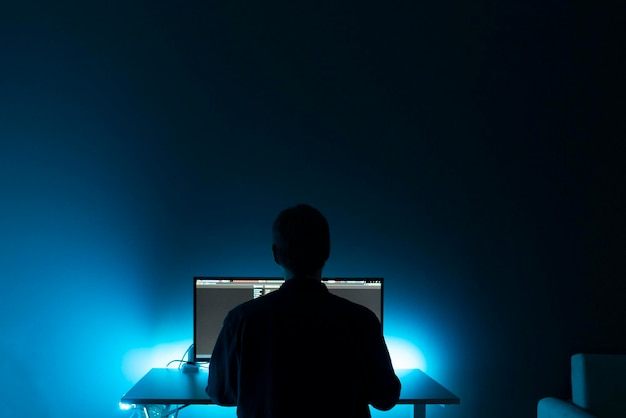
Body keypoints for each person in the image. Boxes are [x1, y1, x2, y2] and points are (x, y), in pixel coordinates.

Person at [206, 204, 401, 418]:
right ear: (326, 252)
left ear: (275, 254)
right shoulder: (362, 320)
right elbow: (385, 398)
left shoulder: (241, 319)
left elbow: (221, 394)